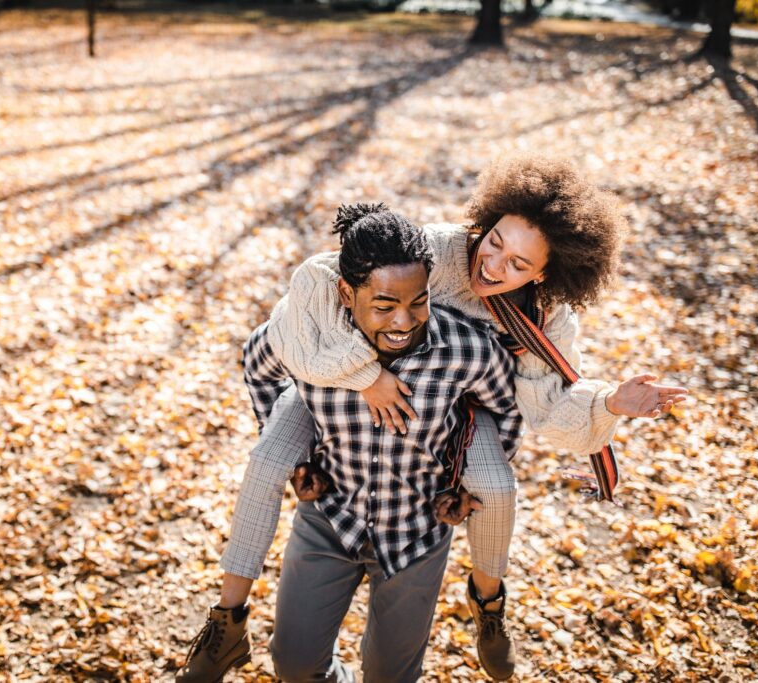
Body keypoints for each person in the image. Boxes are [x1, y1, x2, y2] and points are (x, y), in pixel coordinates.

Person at [177, 155, 688, 681]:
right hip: (337, 382)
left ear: (545, 275)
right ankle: (227, 622)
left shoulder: (544, 319)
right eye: (495, 243)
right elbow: (316, 294)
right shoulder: (433, 250)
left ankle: (488, 605)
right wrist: (362, 379)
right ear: (484, 222)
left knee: (496, 486)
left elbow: (542, 406)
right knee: (265, 462)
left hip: (466, 406)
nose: (493, 266)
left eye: (518, 265)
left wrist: (610, 402)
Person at [181, 205, 523, 682]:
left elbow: (505, 406)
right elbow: (257, 366)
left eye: (418, 301)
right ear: (346, 292)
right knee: (295, 666)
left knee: (389, 676)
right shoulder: (308, 341)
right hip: (329, 521)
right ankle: (228, 626)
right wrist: (298, 457)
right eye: (383, 305)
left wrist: (463, 483)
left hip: (416, 534)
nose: (404, 320)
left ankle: (488, 605)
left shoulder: (465, 350)